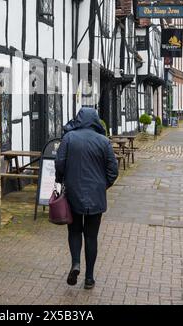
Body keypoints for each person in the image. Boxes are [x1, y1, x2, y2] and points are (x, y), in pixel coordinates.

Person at [55, 107, 118, 289]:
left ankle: (76, 263)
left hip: (73, 194)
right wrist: (102, 186)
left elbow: (59, 163)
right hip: (96, 197)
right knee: (91, 237)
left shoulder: (69, 138)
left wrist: (61, 180)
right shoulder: (104, 141)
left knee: (74, 231)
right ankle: (89, 278)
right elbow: (113, 171)